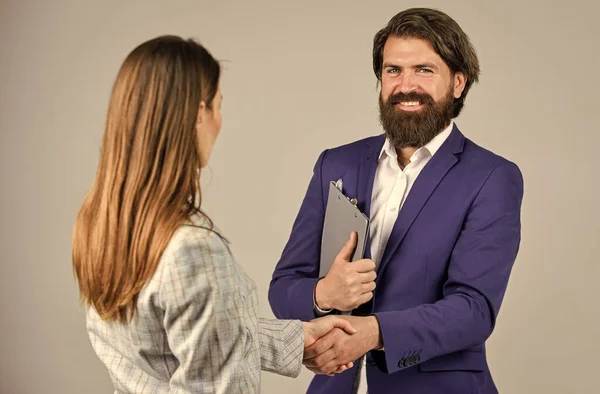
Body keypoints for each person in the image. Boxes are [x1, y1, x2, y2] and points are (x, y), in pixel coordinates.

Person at [71, 35, 356, 394]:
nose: (220, 121)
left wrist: (297, 338)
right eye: (218, 106)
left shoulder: (99, 224)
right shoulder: (192, 250)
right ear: (197, 114)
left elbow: (172, 342)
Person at [269, 7, 524, 394]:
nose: (406, 85)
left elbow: (474, 310)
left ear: (458, 82)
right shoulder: (334, 164)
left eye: (424, 70)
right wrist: (324, 295)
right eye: (393, 70)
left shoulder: (492, 177)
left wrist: (374, 332)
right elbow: (284, 286)